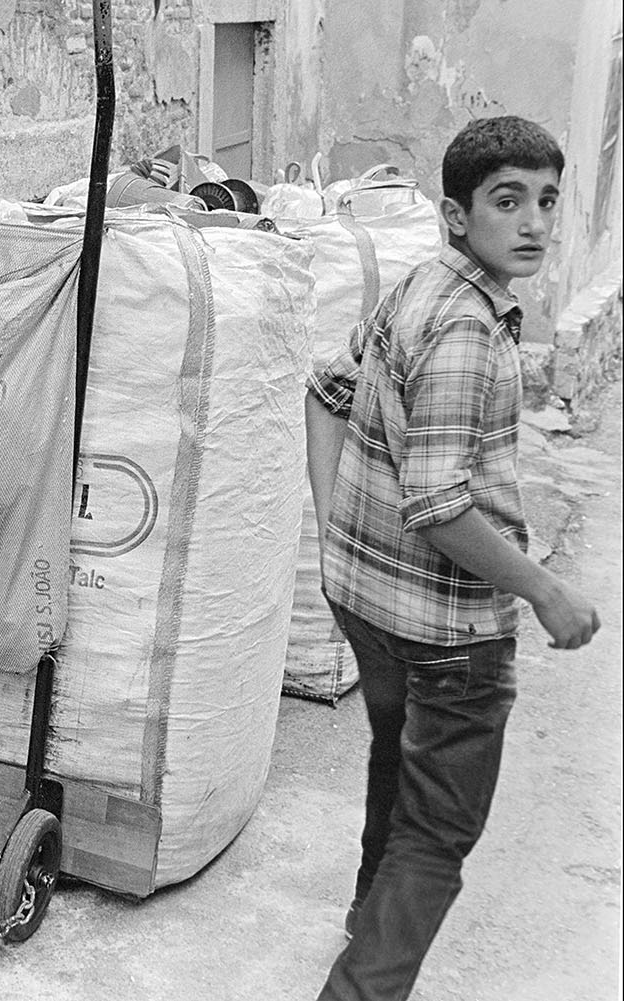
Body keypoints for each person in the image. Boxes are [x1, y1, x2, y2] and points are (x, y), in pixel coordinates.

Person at [304, 116, 601, 1001]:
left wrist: (335, 532)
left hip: (368, 605)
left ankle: (367, 915)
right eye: (507, 201)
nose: (535, 223)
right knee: (436, 836)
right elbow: (439, 506)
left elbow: (326, 385)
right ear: (456, 214)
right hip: (448, 633)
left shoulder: (419, 287)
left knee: (397, 757)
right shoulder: (468, 328)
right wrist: (546, 592)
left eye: (547, 200)